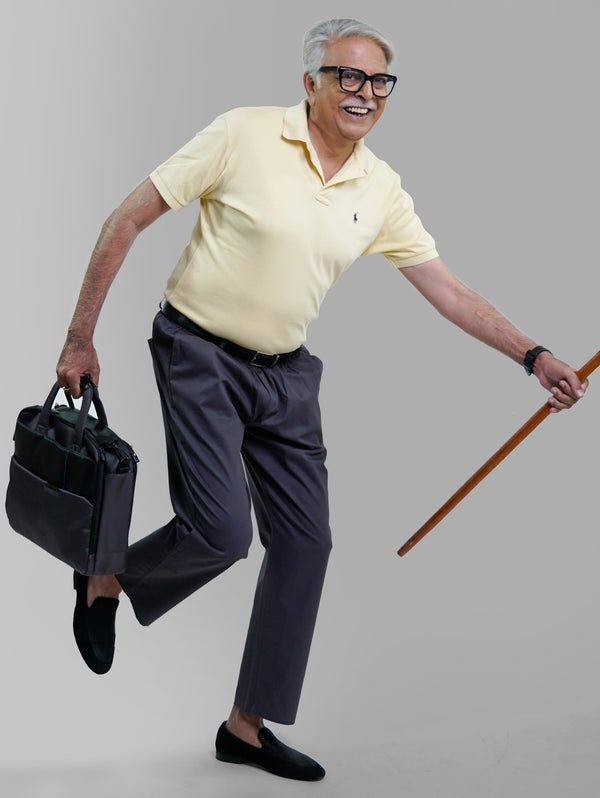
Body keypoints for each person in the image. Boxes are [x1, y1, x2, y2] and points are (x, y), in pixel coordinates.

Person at [56, 18, 587, 782]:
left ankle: (246, 727)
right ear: (310, 83)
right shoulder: (241, 135)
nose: (363, 94)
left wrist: (531, 355)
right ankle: (103, 579)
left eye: (378, 82)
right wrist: (80, 338)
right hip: (198, 354)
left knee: (306, 545)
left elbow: (447, 290)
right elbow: (126, 220)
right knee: (222, 534)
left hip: (288, 376)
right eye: (347, 76)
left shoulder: (380, 188)